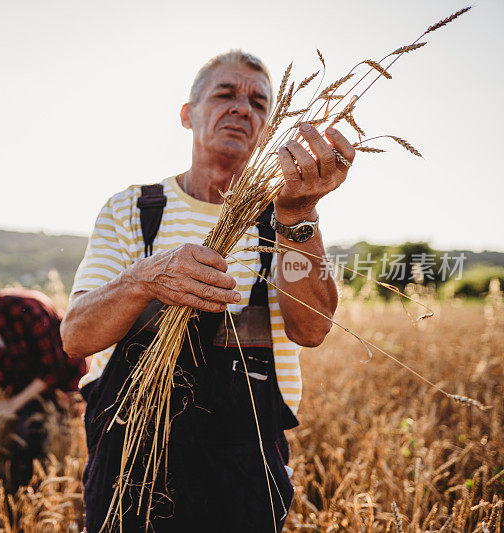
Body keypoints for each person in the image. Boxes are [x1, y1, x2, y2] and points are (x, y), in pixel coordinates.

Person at [61, 50, 353, 532]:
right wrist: (144, 278)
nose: (243, 108)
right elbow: (75, 337)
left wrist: (299, 217)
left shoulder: (285, 217)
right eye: (225, 93)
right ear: (187, 114)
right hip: (129, 450)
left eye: (260, 102)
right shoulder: (132, 209)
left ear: (269, 127)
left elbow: (313, 329)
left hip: (244, 457)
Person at [0, 268, 86, 488]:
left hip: (60, 386)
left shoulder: (27, 310)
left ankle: (35, 490)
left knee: (34, 434)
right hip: (27, 384)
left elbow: (52, 369)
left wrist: (13, 404)